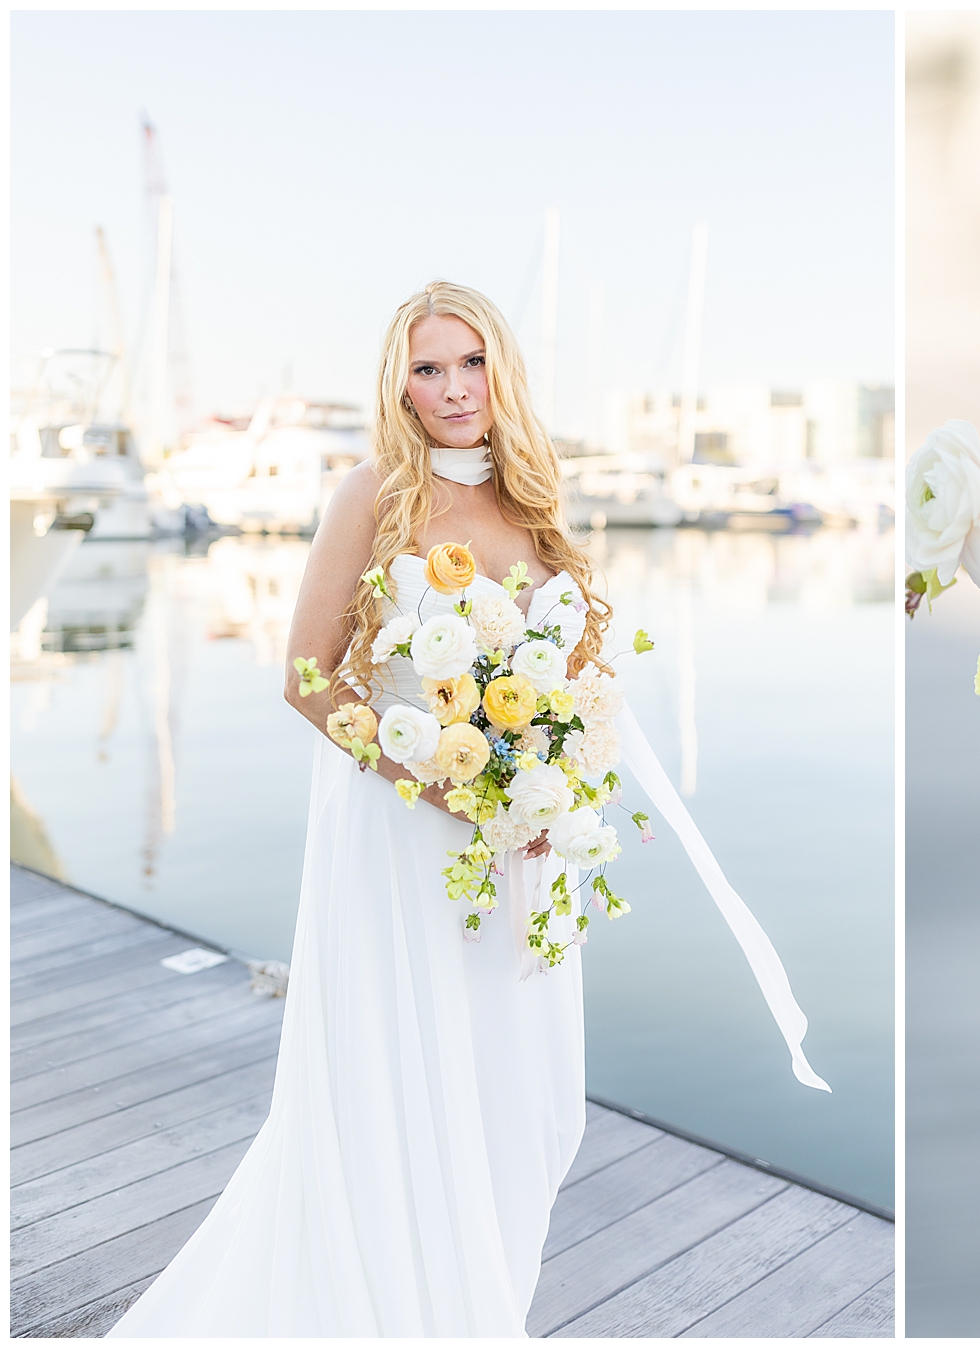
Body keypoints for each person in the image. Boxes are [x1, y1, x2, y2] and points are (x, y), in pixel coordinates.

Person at [111, 282, 826, 1336]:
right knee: (402, 1085)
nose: (454, 388)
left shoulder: (535, 494)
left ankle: (476, 1306)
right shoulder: (371, 495)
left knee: (526, 1098)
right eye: (429, 368)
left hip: (527, 841)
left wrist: (555, 780)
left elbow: (573, 671)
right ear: (399, 384)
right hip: (405, 832)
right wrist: (448, 788)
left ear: (503, 371)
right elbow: (308, 677)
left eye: (473, 363)